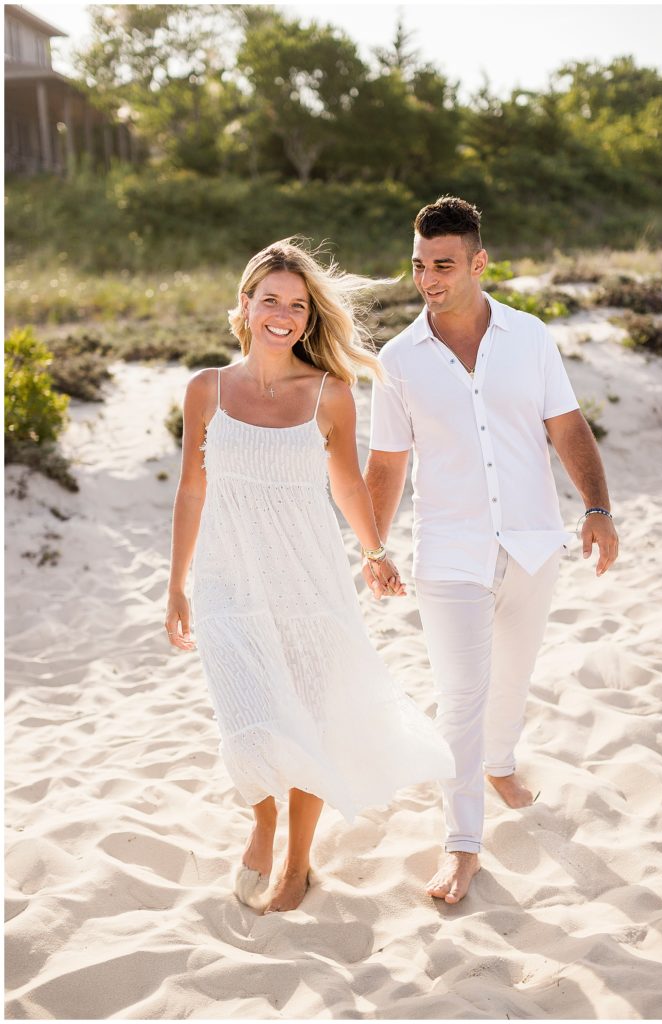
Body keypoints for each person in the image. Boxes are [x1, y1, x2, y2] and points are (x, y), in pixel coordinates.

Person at [165, 239, 455, 914]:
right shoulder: (205, 389)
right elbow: (190, 491)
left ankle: (297, 865)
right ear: (245, 305)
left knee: (313, 720)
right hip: (226, 584)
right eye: (271, 300)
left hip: (307, 582)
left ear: (307, 316)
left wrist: (375, 551)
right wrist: (176, 585)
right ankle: (264, 823)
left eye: (297, 305)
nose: (284, 315)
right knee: (252, 719)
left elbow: (348, 483)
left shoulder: (328, 392)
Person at [364, 196, 619, 906]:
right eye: (419, 265)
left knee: (513, 676)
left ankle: (500, 763)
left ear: (479, 262)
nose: (428, 278)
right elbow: (386, 466)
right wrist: (373, 545)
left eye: (443, 265)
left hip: (535, 539)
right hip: (448, 552)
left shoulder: (531, 337)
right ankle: (462, 844)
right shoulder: (397, 361)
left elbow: (567, 427)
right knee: (461, 698)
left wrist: (597, 508)